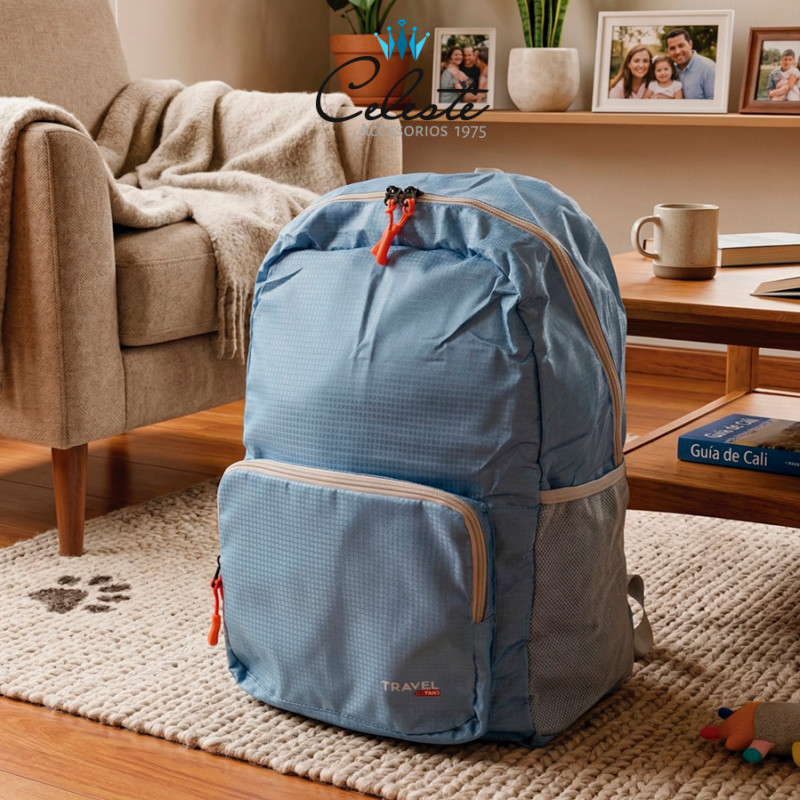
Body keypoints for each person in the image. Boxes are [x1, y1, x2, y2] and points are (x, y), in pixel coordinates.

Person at [665, 28, 715, 99]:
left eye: (681, 45)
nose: (677, 52)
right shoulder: (670, 71)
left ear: (690, 44)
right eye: (672, 48)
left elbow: (716, 104)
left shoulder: (709, 69)